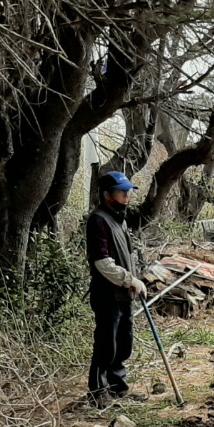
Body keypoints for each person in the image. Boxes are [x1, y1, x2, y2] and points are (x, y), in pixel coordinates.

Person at [85, 170, 147, 404]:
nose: (127, 196)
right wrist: (130, 280)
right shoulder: (98, 220)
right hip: (106, 294)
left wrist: (133, 281)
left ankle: (118, 387)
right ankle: (98, 392)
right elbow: (103, 262)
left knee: (124, 342)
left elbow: (125, 256)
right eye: (122, 192)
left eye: (127, 191)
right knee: (106, 344)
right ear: (107, 194)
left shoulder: (119, 220)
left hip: (123, 294)